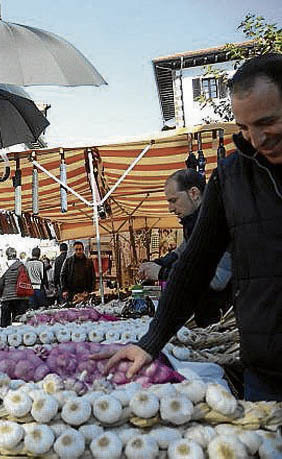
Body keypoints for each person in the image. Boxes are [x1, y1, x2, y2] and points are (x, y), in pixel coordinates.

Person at [98, 53, 282, 401]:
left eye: (267, 122)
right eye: (244, 128)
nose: (257, 139)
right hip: (264, 370)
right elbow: (195, 265)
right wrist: (151, 342)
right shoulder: (231, 177)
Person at [138, 169, 232, 327]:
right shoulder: (197, 223)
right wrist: (159, 263)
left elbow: (217, 280)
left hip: (225, 320)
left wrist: (162, 273)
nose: (170, 208)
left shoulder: (218, 222)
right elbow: (183, 250)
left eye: (173, 200)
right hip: (207, 317)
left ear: (194, 193)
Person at [0, 247, 29, 326]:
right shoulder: (22, 266)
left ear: (7, 255)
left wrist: (2, 293)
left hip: (7, 296)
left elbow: (0, 283)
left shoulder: (4, 266)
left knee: (5, 323)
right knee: (19, 322)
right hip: (21, 297)